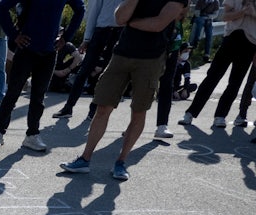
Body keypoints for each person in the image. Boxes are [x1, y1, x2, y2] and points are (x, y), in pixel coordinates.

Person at [60, 0, 189, 181]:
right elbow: (119, 17)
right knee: (102, 106)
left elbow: (158, 24)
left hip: (151, 59)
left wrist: (131, 21)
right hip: (122, 53)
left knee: (138, 111)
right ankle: (84, 159)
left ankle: (121, 162)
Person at [0, 0, 86, 152]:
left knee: (38, 97)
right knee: (13, 93)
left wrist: (66, 37)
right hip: (26, 49)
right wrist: (14, 35)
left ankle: (32, 135)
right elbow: (2, 7)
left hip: (49, 51)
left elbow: (80, 9)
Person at [178, 0, 256, 129]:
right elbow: (225, 16)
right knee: (213, 76)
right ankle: (190, 113)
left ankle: (220, 116)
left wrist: (253, 12)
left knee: (235, 82)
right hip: (231, 37)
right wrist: (242, 12)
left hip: (251, 42)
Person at [53, 0, 124, 119]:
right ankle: (68, 107)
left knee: (106, 75)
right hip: (101, 31)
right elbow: (93, 12)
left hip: (120, 32)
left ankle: (94, 110)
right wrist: (87, 38)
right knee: (84, 71)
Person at [154, 10, 189, 138]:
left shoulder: (180, 13)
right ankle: (133, 125)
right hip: (153, 43)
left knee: (167, 85)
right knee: (143, 84)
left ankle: (162, 125)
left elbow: (182, 14)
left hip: (173, 46)